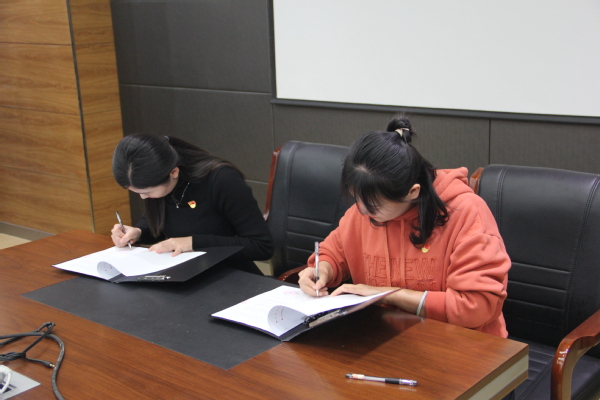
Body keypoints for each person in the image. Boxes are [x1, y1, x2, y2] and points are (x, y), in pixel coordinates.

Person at [298, 115, 510, 337]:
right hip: (387, 338)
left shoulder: (467, 213)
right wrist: (322, 270)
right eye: (356, 198)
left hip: (462, 344)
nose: (362, 211)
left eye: (374, 205)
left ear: (412, 192)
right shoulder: (364, 211)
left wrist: (388, 295)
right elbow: (334, 252)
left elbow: (475, 306)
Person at [110, 134, 273, 275]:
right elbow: (161, 224)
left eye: (148, 192)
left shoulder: (222, 180)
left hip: (230, 276)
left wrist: (193, 243)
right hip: (184, 273)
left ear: (174, 172)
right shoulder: (158, 183)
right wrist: (138, 232)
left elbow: (261, 246)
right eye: (136, 192)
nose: (143, 197)